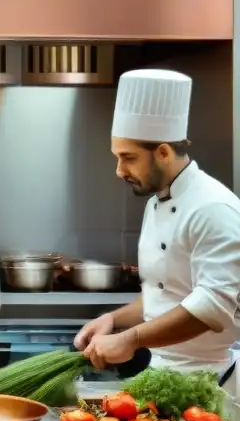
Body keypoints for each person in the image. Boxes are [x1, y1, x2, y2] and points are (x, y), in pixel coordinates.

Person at [74, 69, 240, 396]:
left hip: (212, 383)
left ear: (163, 152)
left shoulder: (214, 208)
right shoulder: (155, 202)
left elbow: (212, 307)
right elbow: (166, 292)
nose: (120, 171)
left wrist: (132, 339)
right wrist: (115, 319)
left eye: (128, 158)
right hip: (163, 376)